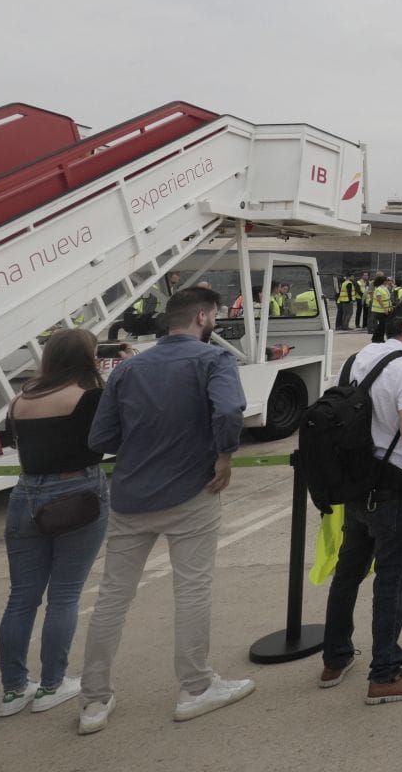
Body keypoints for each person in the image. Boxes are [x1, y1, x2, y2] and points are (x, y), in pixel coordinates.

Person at [77, 286, 253, 734]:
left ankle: (94, 701)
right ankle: (194, 687)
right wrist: (224, 454)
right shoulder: (213, 360)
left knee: (113, 597)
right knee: (192, 590)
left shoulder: (129, 368)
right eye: (213, 315)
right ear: (202, 317)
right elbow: (230, 409)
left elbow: (100, 439)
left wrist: (141, 447)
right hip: (192, 494)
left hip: (131, 497)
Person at [321, 297, 402, 703]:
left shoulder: (359, 357)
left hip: (356, 483)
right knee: (391, 582)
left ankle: (335, 659)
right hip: (391, 489)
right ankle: (385, 673)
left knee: (348, 572)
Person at [0, 328, 109, 717]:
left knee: (21, 597)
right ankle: (52, 684)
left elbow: (18, 444)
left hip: (24, 495)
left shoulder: (20, 400)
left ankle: (13, 690)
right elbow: (109, 440)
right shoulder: (89, 397)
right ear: (85, 357)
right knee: (64, 595)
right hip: (78, 492)